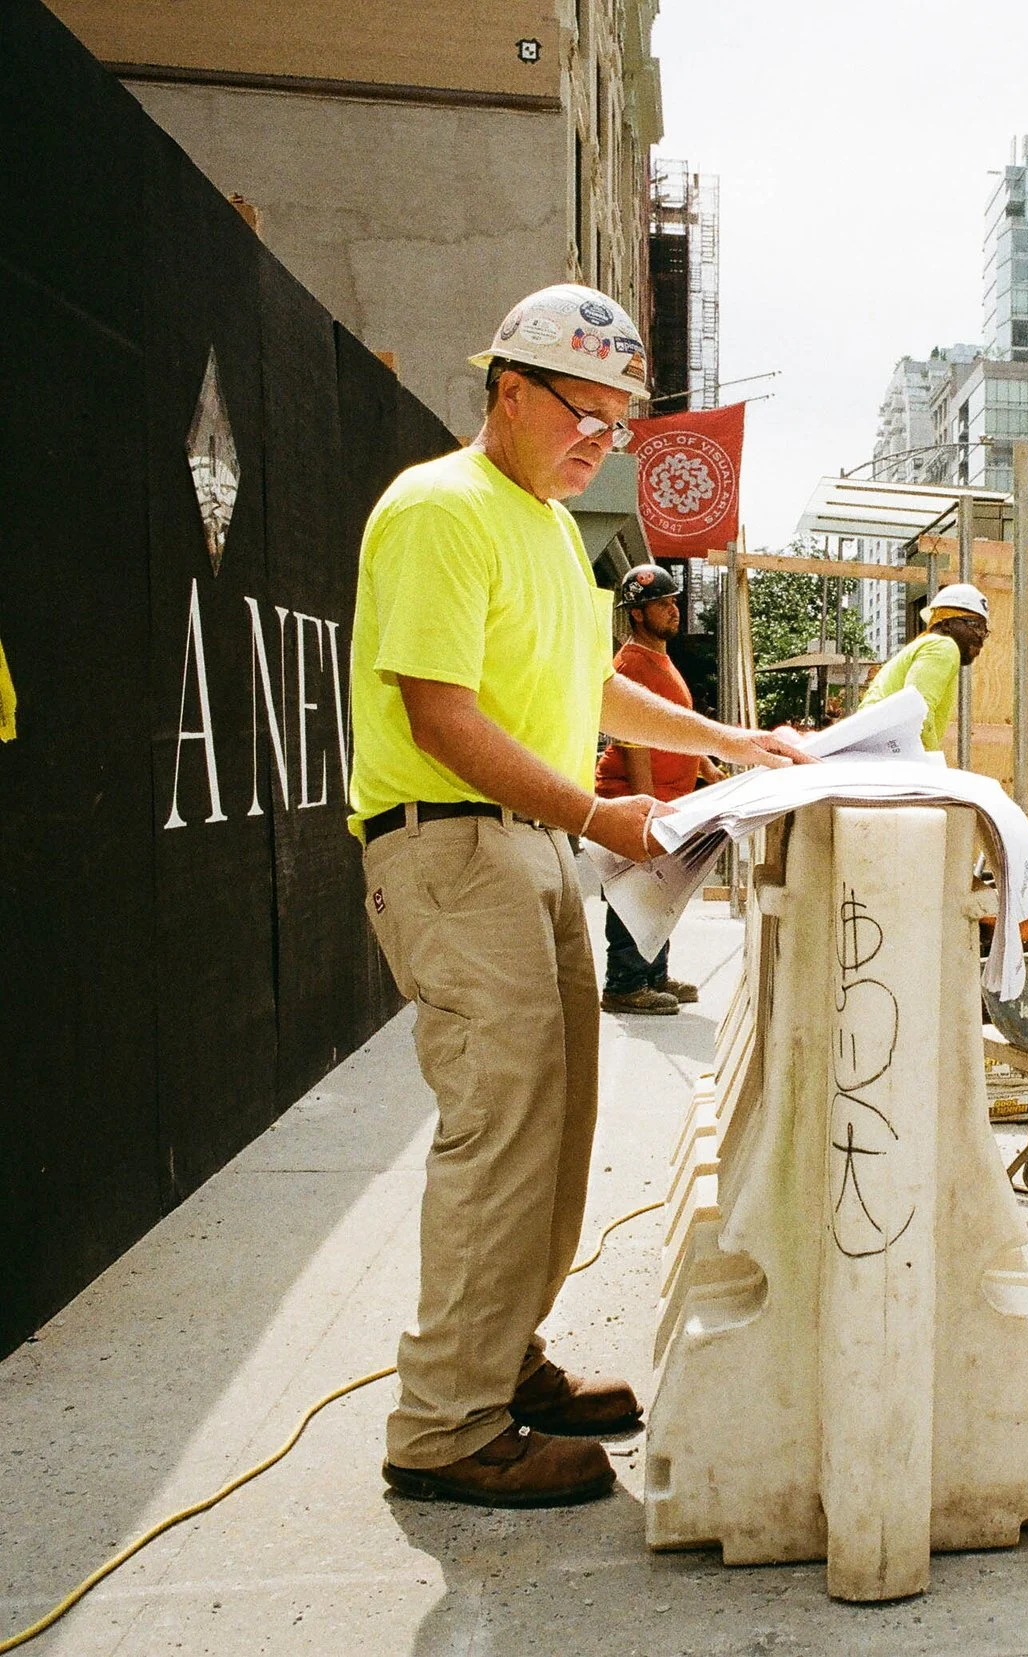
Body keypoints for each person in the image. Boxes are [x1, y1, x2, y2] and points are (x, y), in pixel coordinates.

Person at [347, 283, 812, 1509]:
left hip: (530, 847)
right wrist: (601, 816)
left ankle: (504, 1361)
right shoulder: (442, 511)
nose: (601, 439)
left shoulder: (551, 531)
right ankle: (445, 1422)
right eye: (582, 413)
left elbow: (588, 691)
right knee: (500, 1128)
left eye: (618, 421)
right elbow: (437, 716)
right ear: (508, 389)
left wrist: (725, 741)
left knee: (555, 1126)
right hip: (452, 846)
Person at [593, 562, 721, 1016]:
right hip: (636, 797)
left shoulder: (660, 660)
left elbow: (673, 730)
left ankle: (652, 974)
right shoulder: (630, 663)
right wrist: (647, 808)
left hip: (667, 799)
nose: (673, 610)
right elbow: (635, 740)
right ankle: (624, 984)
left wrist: (706, 770)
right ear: (636, 614)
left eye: (673, 602)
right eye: (660, 604)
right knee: (635, 890)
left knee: (660, 888)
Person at [860, 582, 990, 756]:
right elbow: (916, 711)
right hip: (888, 750)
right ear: (946, 624)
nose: (981, 637)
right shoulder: (943, 646)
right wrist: (930, 766)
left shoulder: (926, 646)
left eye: (985, 631)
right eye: (975, 626)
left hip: (879, 746)